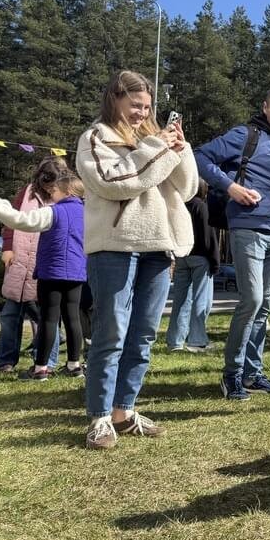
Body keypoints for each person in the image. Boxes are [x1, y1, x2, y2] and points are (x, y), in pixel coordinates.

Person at [76, 69, 198, 449]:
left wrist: (180, 149)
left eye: (147, 107)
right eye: (134, 105)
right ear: (115, 99)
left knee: (143, 334)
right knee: (110, 332)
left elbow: (188, 188)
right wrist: (155, 149)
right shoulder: (96, 138)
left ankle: (123, 411)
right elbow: (114, 183)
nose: (142, 113)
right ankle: (98, 417)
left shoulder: (154, 138)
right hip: (114, 244)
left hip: (159, 245)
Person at [196, 82, 270, 400]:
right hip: (248, 228)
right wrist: (230, 187)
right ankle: (231, 375)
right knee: (252, 301)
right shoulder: (245, 135)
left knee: (265, 305)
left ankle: (253, 374)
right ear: (264, 107)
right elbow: (199, 156)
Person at [0, 170, 86, 381]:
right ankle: (74, 365)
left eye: (54, 190)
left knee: (49, 319)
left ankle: (40, 369)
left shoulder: (51, 212)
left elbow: (20, 220)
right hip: (77, 272)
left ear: (66, 191)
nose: (51, 192)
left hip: (52, 272)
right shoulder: (88, 212)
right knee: (73, 317)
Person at [0, 157, 65, 373]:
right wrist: (7, 248)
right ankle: (5, 360)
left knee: (47, 317)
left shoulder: (67, 197)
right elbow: (10, 222)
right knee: (9, 316)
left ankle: (46, 362)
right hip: (19, 263)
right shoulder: (26, 193)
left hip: (46, 266)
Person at [166, 180, 219, 353]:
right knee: (201, 300)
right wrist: (215, 260)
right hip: (200, 257)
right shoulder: (200, 206)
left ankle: (175, 341)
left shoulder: (179, 206)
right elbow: (208, 235)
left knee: (180, 301)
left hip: (182, 256)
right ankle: (197, 340)